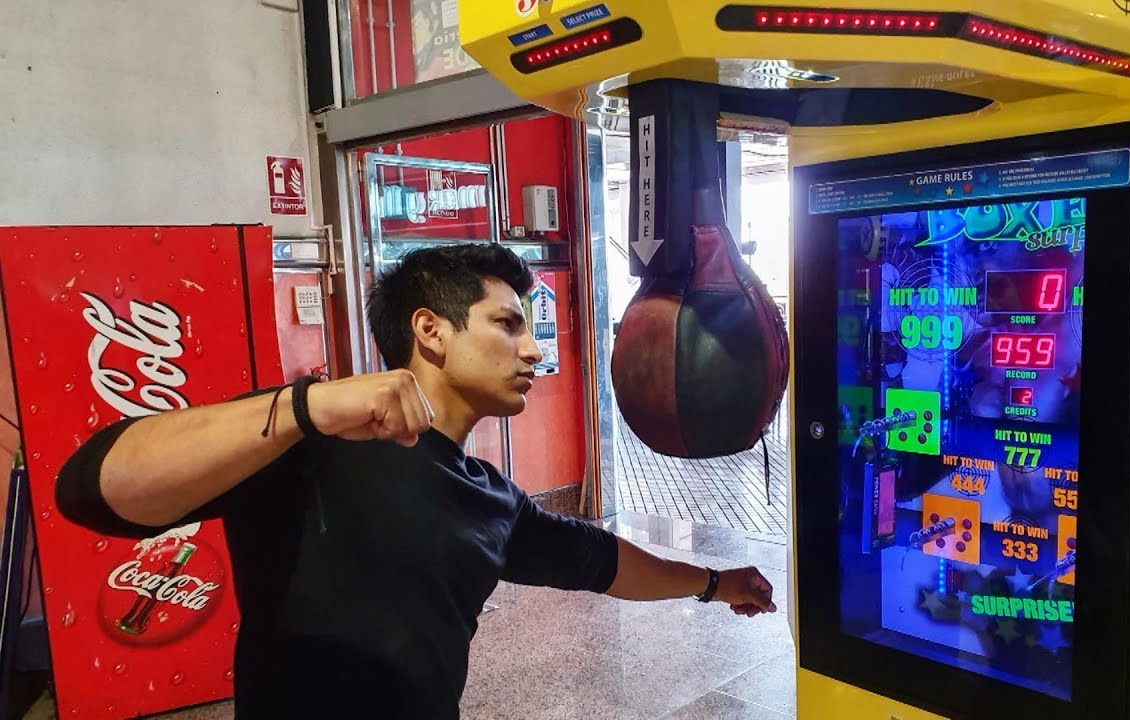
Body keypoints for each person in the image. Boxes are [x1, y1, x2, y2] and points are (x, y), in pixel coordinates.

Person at [55, 243, 777, 720]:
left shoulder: (491, 497)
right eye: (509, 324)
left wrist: (715, 583)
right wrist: (304, 407)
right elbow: (91, 489)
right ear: (431, 331)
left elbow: (598, 562)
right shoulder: (312, 439)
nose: (534, 349)